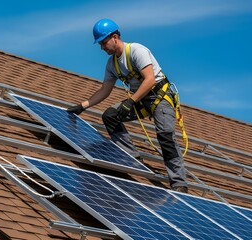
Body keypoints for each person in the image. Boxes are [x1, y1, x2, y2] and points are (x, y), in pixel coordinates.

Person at [67, 18, 188, 193]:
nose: (102, 47)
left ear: (114, 37)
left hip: (160, 98)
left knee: (165, 136)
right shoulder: (112, 64)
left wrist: (130, 102)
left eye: (103, 42)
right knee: (110, 115)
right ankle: (132, 157)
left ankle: (179, 182)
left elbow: (149, 80)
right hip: (140, 101)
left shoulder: (136, 51)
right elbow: (104, 90)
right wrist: (82, 106)